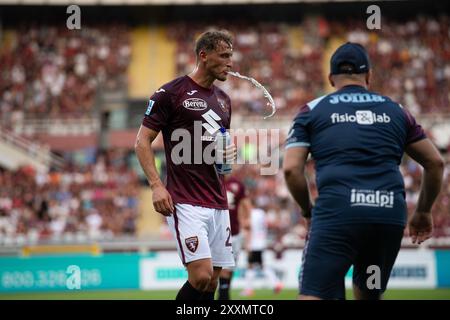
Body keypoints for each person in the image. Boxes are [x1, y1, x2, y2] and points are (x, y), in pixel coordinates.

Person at [283, 42, 444, 300]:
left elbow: (291, 170)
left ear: (330, 78)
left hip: (338, 214)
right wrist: (423, 211)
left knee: (314, 295)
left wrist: (307, 210)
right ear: (369, 75)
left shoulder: (312, 110)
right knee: (368, 295)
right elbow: (435, 163)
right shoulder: (397, 111)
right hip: (387, 215)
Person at [134, 29, 237, 300]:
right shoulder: (170, 93)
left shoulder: (225, 101)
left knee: (211, 282)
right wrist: (157, 185)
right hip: (185, 200)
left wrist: (225, 157)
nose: (230, 62)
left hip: (218, 200)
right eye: (224, 55)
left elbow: (216, 154)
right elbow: (142, 142)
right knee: (200, 275)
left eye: (231, 56)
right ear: (203, 56)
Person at [217, 172, 252, 300]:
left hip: (234, 232)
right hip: (216, 232)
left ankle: (223, 294)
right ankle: (223, 297)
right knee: (222, 270)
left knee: (229, 270)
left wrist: (247, 221)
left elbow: (246, 205)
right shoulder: (211, 181)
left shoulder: (237, 184)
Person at [240, 205, 284, 297]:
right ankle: (276, 283)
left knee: (251, 266)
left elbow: (249, 227)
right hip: (261, 241)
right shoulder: (261, 213)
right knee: (260, 265)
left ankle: (249, 290)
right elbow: (267, 224)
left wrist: (247, 244)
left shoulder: (251, 214)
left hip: (254, 243)